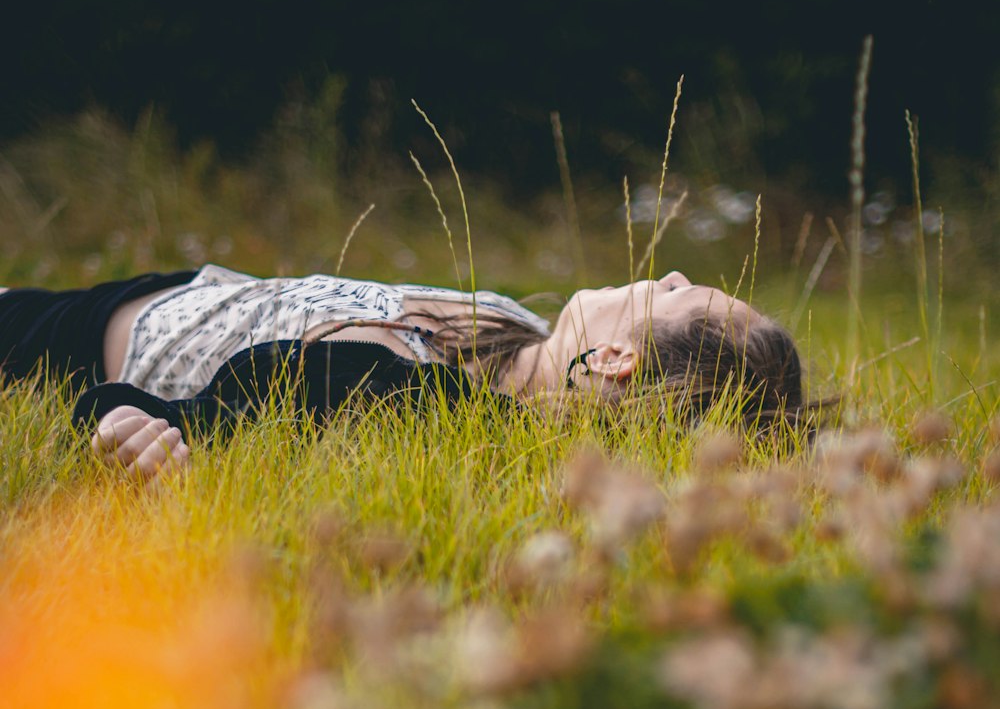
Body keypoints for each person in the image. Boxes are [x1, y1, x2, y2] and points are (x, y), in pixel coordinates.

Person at [0, 263, 803, 480]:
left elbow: (228, 411)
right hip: (163, 294)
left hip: (57, 345)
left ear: (620, 361)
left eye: (678, 294)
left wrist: (140, 429)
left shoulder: (397, 393)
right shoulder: (516, 336)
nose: (666, 275)